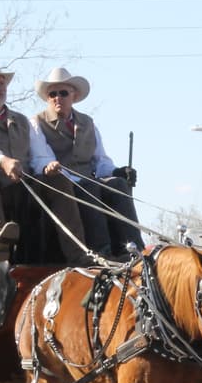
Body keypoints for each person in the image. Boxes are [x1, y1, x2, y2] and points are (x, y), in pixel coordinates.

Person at [0, 61, 91, 264]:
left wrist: (47, 166)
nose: (0, 87)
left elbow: (39, 154)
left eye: (2, 83)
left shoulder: (21, 121)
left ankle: (79, 254)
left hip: (19, 186)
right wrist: (3, 161)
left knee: (59, 181)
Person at [28, 66, 143, 260]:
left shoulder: (88, 123)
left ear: (73, 95)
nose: (58, 98)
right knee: (90, 186)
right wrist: (49, 165)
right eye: (52, 94)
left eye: (63, 93)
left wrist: (119, 171)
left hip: (87, 181)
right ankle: (102, 251)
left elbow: (101, 162)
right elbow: (40, 157)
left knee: (117, 184)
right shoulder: (37, 123)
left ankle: (134, 248)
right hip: (60, 183)